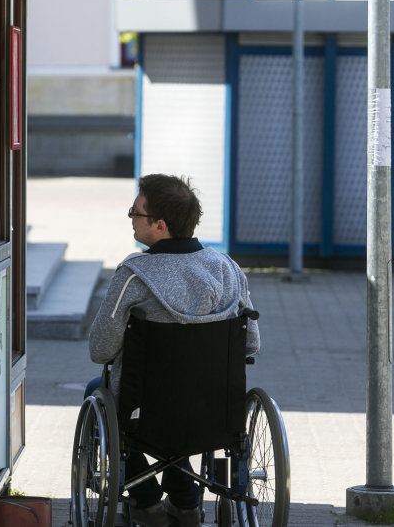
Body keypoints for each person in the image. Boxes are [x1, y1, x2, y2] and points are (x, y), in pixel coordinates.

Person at [87, 173, 260, 527]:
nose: (131, 219)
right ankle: (185, 504)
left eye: (135, 213)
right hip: (215, 411)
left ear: (160, 225)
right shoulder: (228, 269)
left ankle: (147, 502)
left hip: (146, 410)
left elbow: (101, 350)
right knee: (180, 411)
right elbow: (251, 343)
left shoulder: (134, 275)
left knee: (103, 394)